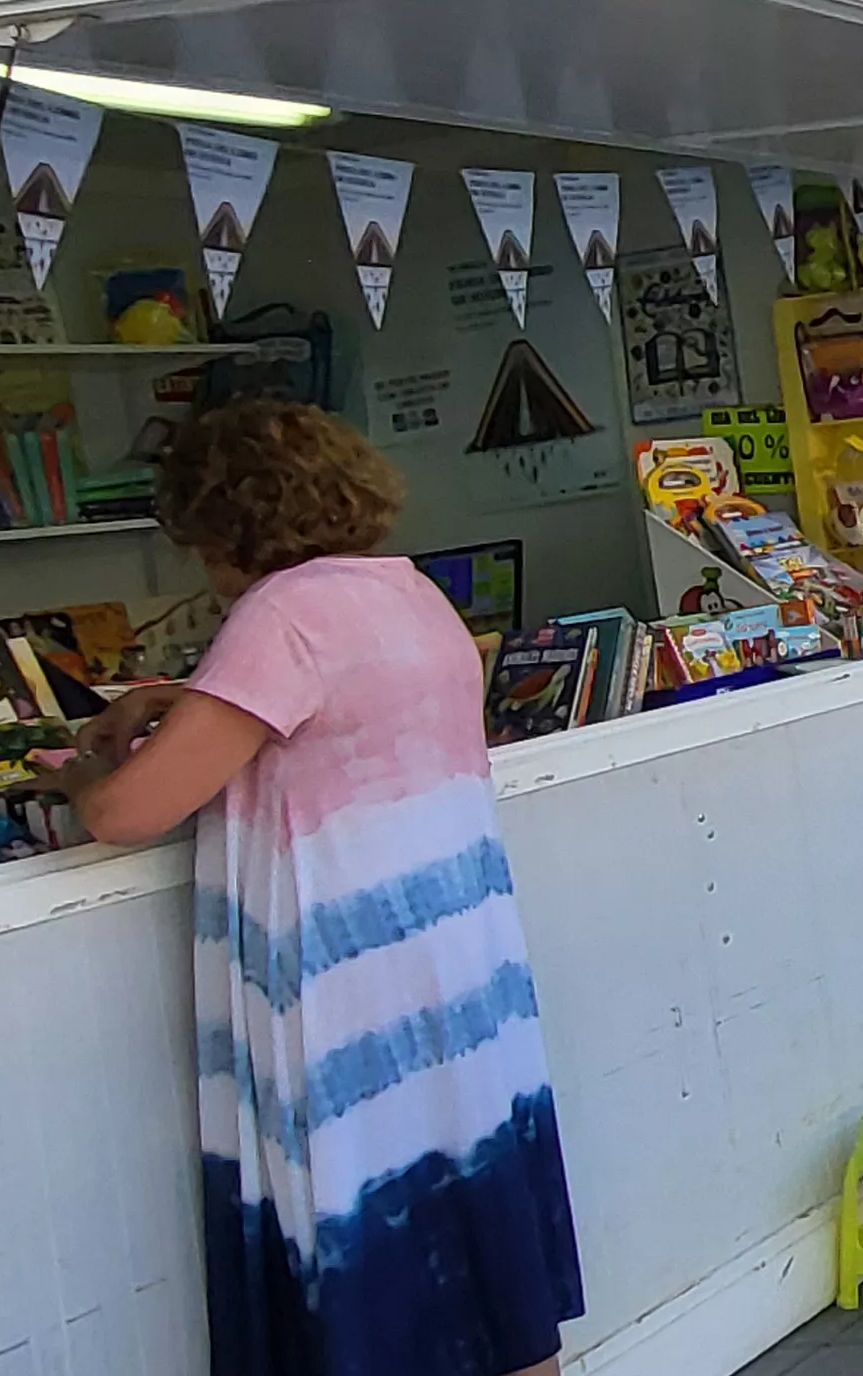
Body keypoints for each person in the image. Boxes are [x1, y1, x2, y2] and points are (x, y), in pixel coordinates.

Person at [46, 400, 583, 1376]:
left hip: (348, 993)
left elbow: (127, 813)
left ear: (225, 523)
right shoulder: (408, 593)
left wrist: (81, 774)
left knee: (367, 1259)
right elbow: (336, 717)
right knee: (482, 1243)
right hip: (456, 973)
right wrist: (188, 701)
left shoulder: (282, 614)